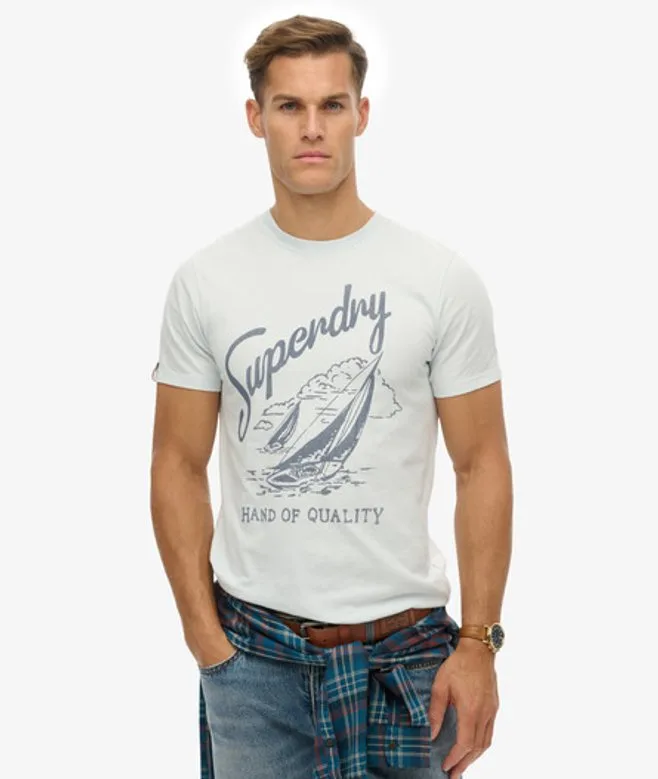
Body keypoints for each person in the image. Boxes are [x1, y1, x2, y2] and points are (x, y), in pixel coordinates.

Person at [150, 13, 513, 779]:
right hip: (255, 662)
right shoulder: (205, 281)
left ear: (361, 114)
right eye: (289, 105)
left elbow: (481, 462)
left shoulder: (439, 279)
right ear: (256, 117)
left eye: (332, 105)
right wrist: (207, 643)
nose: (312, 127)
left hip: (409, 663)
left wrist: (478, 643)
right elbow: (177, 462)